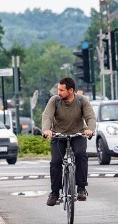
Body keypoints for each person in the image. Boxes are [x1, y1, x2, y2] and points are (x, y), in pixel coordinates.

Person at [41, 77, 96, 206]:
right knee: (55, 162)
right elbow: (47, 116)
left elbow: (90, 117)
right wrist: (46, 130)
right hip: (58, 135)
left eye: (61, 90)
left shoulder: (82, 101)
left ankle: (81, 188)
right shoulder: (55, 101)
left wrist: (90, 129)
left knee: (81, 155)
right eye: (58, 89)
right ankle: (54, 192)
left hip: (78, 134)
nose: (58, 92)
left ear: (71, 90)